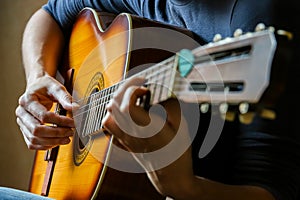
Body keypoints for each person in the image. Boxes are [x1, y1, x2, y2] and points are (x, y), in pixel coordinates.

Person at [13, 0, 300, 200]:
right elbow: (49, 14)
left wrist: (185, 188)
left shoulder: (259, 16)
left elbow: (274, 191)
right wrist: (38, 77)